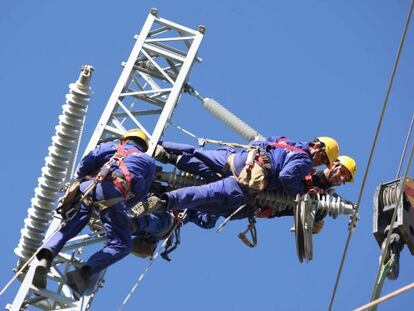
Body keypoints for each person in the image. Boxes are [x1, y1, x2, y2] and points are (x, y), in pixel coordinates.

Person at [32, 129, 156, 294]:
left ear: (124, 140)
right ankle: (84, 273)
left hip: (87, 188)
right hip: (114, 194)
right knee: (122, 244)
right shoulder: (148, 161)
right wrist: (121, 207)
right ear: (144, 146)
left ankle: (46, 255)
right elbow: (140, 192)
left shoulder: (110, 146)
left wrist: (84, 180)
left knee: (70, 226)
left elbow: (86, 163)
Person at [132, 136, 340, 218]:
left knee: (199, 156)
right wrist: (299, 192)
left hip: (240, 159)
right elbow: (286, 177)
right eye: (322, 161)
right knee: (205, 197)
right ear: (320, 152)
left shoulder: (289, 142)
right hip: (250, 179)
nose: (318, 164)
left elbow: (263, 141)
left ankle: (161, 149)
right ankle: (163, 200)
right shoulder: (304, 162)